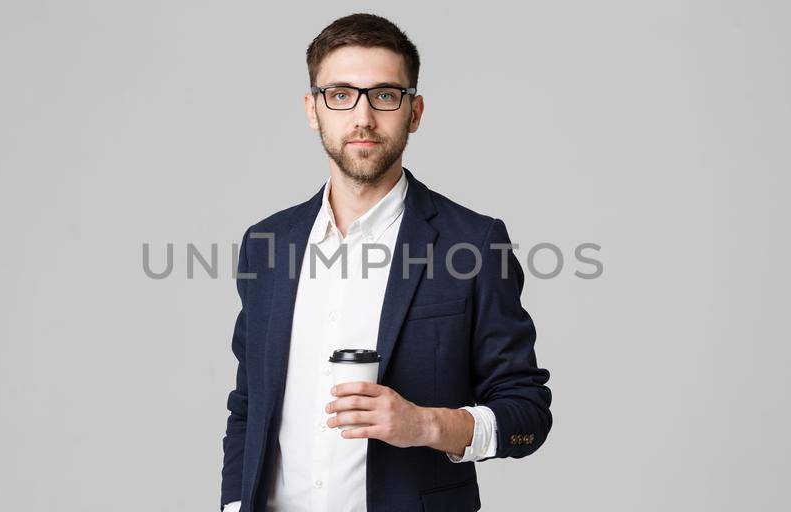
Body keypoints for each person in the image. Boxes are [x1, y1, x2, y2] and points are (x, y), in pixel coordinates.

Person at [220, 13, 552, 512]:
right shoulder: (266, 243)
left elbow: (527, 415)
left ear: (414, 112)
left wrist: (425, 425)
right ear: (313, 109)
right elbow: (248, 405)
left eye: (385, 95)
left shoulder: (475, 244)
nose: (363, 117)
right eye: (340, 94)